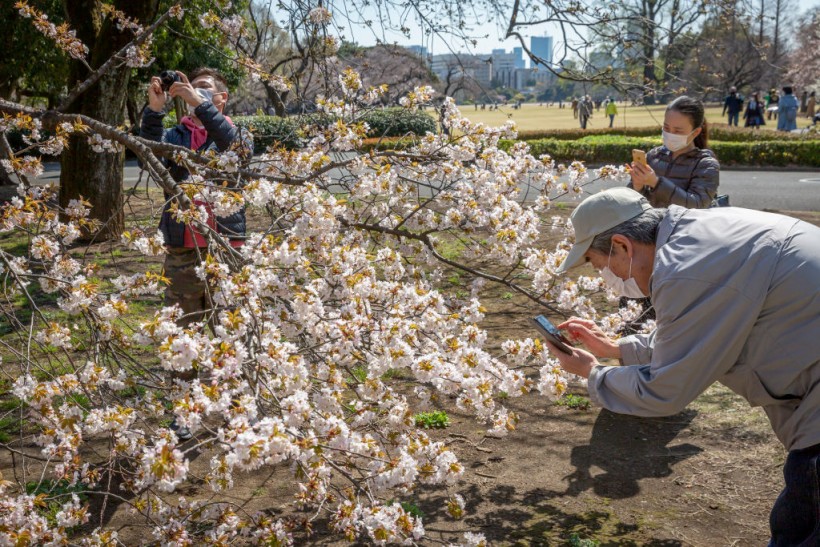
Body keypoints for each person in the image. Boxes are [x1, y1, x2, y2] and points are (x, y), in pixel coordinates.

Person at [550, 187, 820, 547]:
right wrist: (616, 348)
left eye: (602, 265)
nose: (607, 278)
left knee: (801, 528)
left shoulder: (684, 271)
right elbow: (699, 330)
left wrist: (592, 373)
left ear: (623, 245)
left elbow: (665, 389)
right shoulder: (697, 239)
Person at [140, 68, 253, 439]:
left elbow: (238, 154)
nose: (191, 92)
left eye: (203, 89)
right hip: (183, 249)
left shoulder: (236, 133)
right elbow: (151, 161)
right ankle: (185, 412)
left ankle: (239, 408)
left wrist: (199, 105)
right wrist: (155, 111)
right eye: (187, 89)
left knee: (232, 330)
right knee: (182, 336)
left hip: (226, 248)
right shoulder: (175, 136)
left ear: (221, 99)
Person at [628, 96, 719, 209]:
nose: (670, 134)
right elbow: (633, 205)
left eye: (678, 131)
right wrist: (637, 186)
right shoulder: (653, 156)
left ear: (696, 132)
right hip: (654, 225)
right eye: (666, 128)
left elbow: (698, 205)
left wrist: (656, 183)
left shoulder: (706, 165)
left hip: (686, 226)